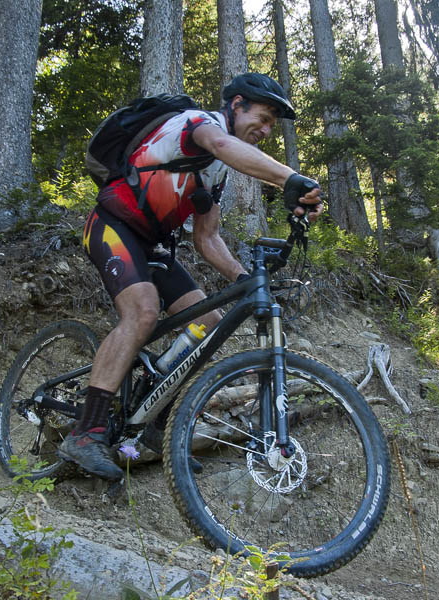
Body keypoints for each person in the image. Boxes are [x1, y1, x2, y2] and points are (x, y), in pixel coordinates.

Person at [58, 72, 323, 480]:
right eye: (264, 117)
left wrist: (242, 277)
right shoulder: (197, 124)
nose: (267, 130)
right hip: (112, 224)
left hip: (154, 244)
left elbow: (207, 236)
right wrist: (289, 179)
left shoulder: (217, 172)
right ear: (236, 105)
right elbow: (221, 144)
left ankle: (153, 421)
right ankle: (85, 431)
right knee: (142, 312)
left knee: (208, 322)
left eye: (273, 125)